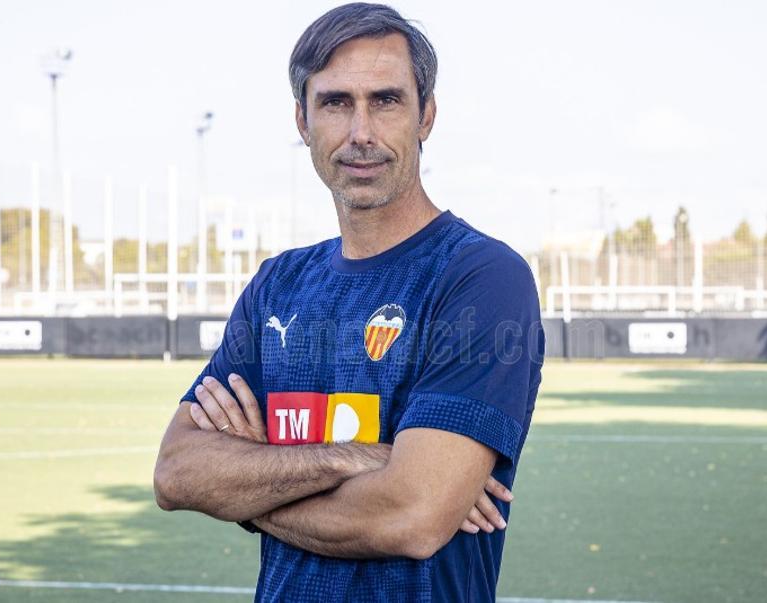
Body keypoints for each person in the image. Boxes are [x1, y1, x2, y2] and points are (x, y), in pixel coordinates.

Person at [153, 3, 544, 600]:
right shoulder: (278, 284)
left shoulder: (480, 276)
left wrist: (253, 481)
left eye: (385, 100)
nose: (361, 132)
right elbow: (178, 472)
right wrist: (355, 458)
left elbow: (411, 517)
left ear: (426, 115)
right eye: (336, 102)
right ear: (302, 121)